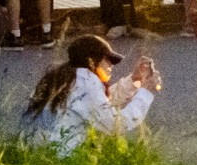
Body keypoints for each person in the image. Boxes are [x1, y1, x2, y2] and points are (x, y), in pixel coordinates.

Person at [20, 35, 162, 152]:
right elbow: (114, 125)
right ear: (92, 60)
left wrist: (133, 80)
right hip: (58, 157)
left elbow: (96, 105)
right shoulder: (86, 80)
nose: (111, 65)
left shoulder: (67, 77)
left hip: (34, 151)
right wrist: (146, 92)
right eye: (108, 59)